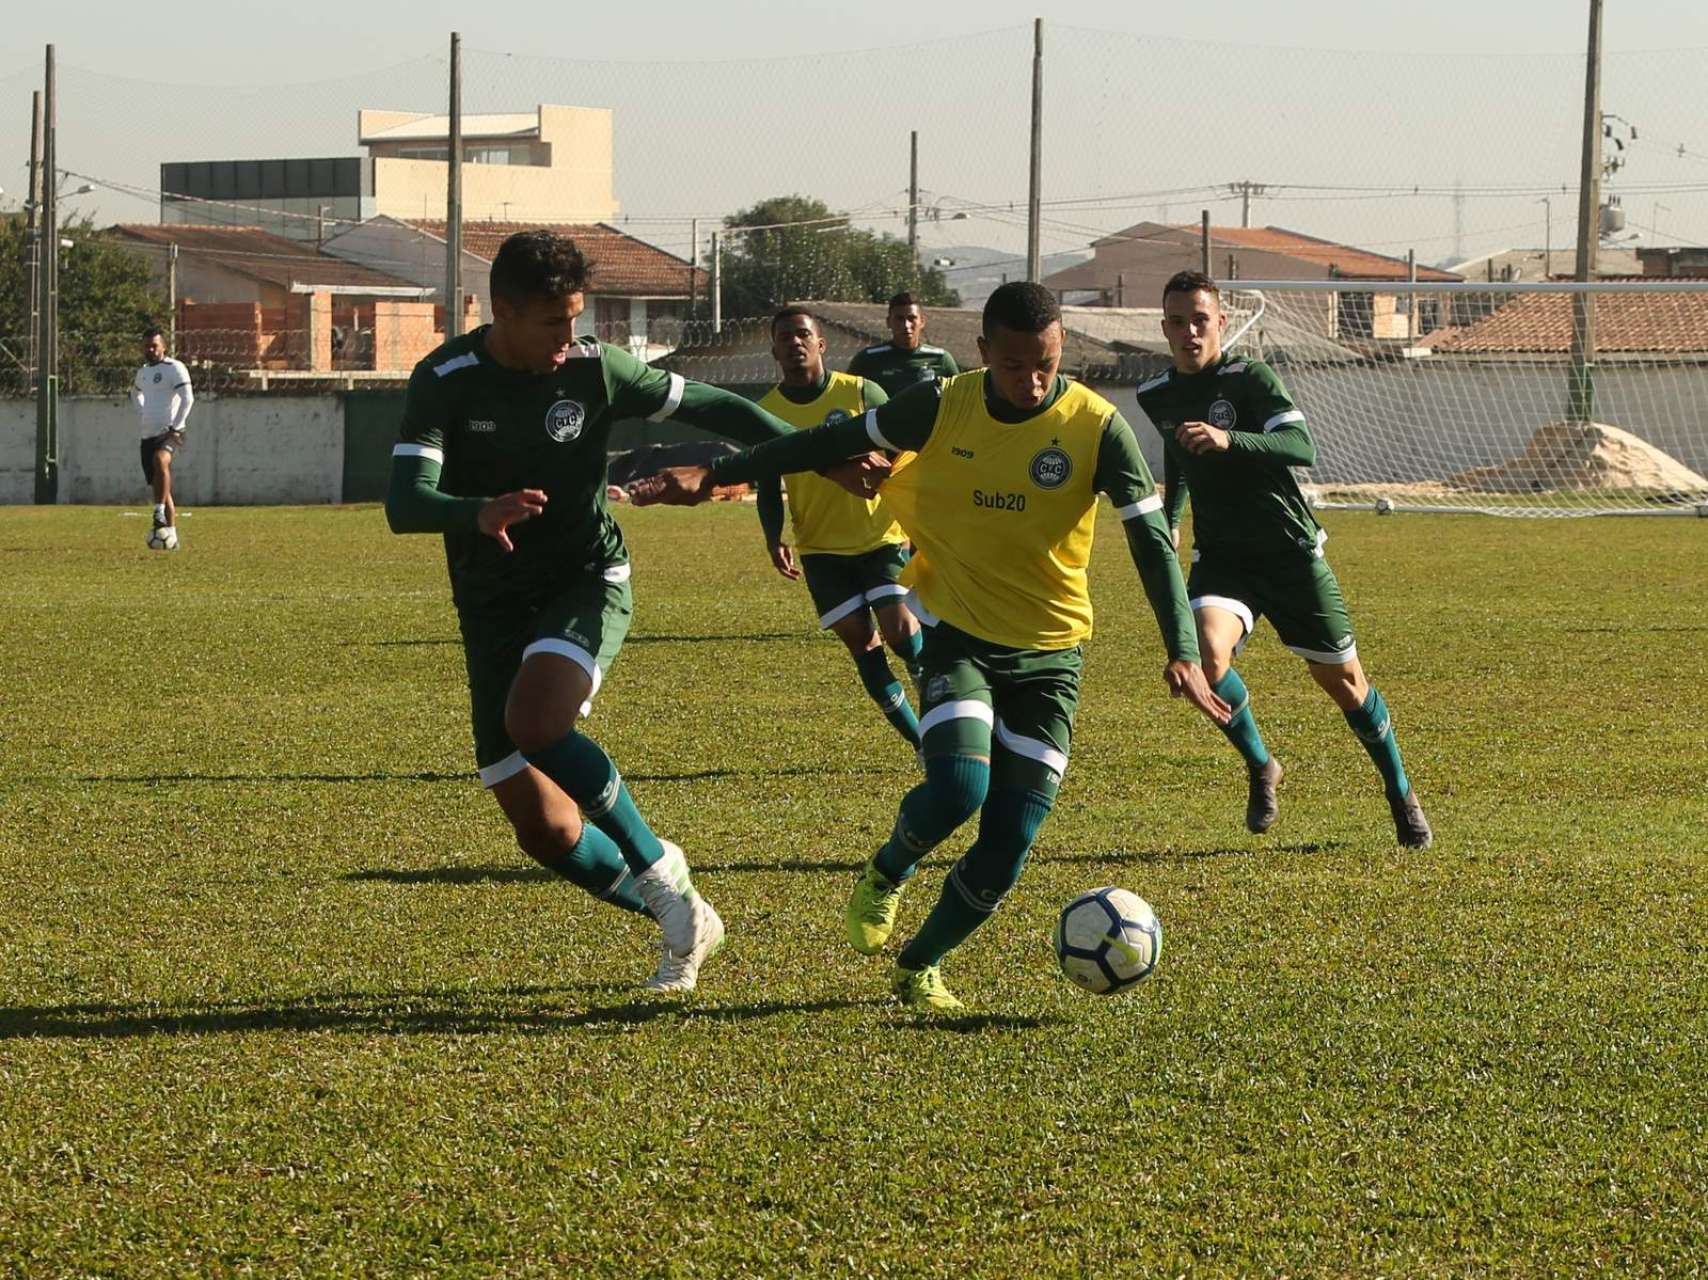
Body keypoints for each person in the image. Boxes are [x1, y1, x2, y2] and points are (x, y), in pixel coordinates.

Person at [633, 282, 1229, 1011]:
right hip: (960, 635)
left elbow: (1150, 541)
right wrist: (715, 472)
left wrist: (1181, 648)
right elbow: (826, 440)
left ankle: (919, 965)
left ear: (1062, 346)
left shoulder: (1097, 426)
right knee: (959, 789)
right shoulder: (945, 402)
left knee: (1009, 845)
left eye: (1044, 363)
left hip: (1052, 655)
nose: (1031, 380)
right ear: (984, 353)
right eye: (1013, 365)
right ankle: (888, 871)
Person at [384, 230, 828, 993]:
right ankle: (680, 916)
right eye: (553, 322)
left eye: (576, 319)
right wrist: (477, 511)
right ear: (504, 311)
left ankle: (663, 874)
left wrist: (828, 449)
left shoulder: (595, 369)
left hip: (586, 578)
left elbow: (723, 408)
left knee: (537, 724)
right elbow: (403, 504)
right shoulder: (445, 378)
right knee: (543, 829)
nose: (569, 338)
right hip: (490, 605)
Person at [1136, 269, 1432, 848]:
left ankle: (1400, 791)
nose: (1190, 331)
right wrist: (1171, 520)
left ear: (1220, 321)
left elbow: (1302, 447)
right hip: (1224, 562)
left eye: (1201, 319)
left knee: (1346, 686)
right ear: (1165, 327)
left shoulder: (1250, 378)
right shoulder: (1155, 395)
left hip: (1291, 554)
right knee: (1206, 657)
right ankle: (1262, 764)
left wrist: (1233, 440)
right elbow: (1179, 458)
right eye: (1178, 322)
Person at [757, 306, 924, 748]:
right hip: (820, 548)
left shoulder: (862, 392)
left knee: (903, 634)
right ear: (774, 350)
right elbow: (768, 483)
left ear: (820, 344)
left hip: (879, 537)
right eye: (785, 337)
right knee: (862, 643)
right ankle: (922, 743)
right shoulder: (766, 411)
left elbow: (906, 449)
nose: (795, 342)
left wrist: (893, 481)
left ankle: (938, 702)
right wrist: (773, 536)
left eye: (802, 334)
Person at [133, 327, 193, 546]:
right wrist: (142, 412)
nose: (150, 349)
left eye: (154, 345)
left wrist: (175, 426)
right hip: (147, 434)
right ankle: (172, 534)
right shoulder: (143, 372)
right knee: (160, 486)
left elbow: (188, 399)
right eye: (147, 345)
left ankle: (158, 511)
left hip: (170, 433)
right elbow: (134, 393)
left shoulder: (175, 368)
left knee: (161, 461)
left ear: (164, 346)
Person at [846, 290, 959, 398]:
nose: (906, 325)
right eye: (899, 319)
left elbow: (961, 398)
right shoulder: (867, 359)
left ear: (922, 321)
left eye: (912, 318)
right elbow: (846, 396)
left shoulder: (941, 359)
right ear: (889, 322)